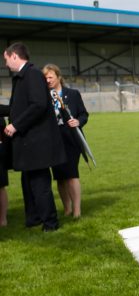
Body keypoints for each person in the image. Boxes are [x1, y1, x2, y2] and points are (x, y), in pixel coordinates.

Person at [3, 43, 65, 232]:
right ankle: (34, 218)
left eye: (5, 59)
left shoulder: (32, 75)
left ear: (14, 56)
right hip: (28, 144)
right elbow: (18, 108)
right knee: (28, 184)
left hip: (37, 144)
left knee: (40, 185)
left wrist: (15, 125)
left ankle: (50, 223)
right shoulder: (23, 77)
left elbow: (38, 105)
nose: (5, 64)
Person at [43, 64, 89, 219]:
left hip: (71, 138)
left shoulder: (73, 94)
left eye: (50, 77)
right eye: (46, 77)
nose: (48, 80)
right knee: (60, 176)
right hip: (53, 140)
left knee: (71, 174)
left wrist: (78, 121)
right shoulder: (44, 97)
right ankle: (67, 209)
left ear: (58, 77)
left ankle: (77, 210)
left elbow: (84, 114)